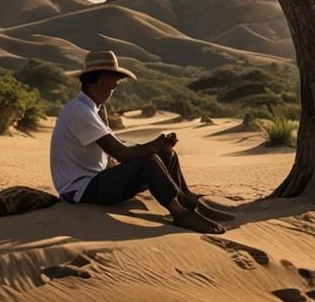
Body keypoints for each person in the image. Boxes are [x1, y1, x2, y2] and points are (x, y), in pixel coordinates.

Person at [49, 50, 231, 234]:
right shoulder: (80, 112)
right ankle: (180, 213)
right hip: (80, 191)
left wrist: (161, 148)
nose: (116, 85)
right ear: (102, 80)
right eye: (115, 80)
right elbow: (122, 154)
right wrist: (155, 145)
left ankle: (187, 198)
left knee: (166, 154)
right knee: (148, 161)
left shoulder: (92, 108)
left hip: (94, 181)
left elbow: (116, 150)